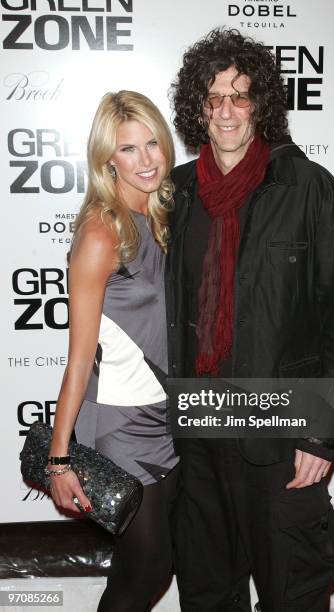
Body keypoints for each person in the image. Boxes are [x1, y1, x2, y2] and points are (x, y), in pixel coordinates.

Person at [167, 29, 334, 611]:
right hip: (198, 439)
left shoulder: (310, 190)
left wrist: (324, 435)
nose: (226, 111)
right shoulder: (176, 194)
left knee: (292, 594)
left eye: (240, 96)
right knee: (206, 593)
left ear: (261, 105)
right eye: (214, 99)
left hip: (281, 438)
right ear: (197, 109)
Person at [47, 90, 179, 612]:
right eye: (129, 149)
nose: (146, 160)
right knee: (147, 569)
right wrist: (60, 460)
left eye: (153, 144)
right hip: (122, 423)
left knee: (147, 565)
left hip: (169, 414)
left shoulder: (166, 218)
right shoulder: (103, 232)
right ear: (108, 159)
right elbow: (80, 356)